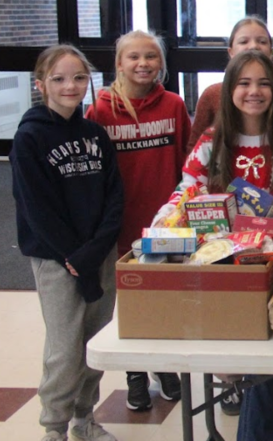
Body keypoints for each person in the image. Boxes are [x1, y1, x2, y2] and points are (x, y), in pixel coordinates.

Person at [154, 51, 273, 441]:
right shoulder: (212, 141)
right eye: (244, 83)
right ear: (229, 89)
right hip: (222, 261)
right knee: (241, 353)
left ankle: (263, 432)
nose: (254, 91)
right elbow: (187, 192)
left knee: (250, 347)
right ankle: (272, 425)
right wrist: (165, 220)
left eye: (264, 83)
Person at [11, 45, 124, 441]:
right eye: (58, 78)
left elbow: (114, 196)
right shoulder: (29, 138)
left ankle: (83, 418)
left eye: (78, 77)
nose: (70, 86)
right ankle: (54, 428)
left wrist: (96, 249)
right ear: (41, 85)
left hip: (98, 253)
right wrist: (74, 256)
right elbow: (36, 209)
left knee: (94, 341)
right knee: (64, 349)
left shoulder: (95, 133)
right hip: (57, 259)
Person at [85, 30, 190, 411]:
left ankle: (162, 366)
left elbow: (185, 163)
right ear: (118, 63)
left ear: (161, 63)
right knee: (128, 301)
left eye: (151, 56)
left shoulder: (174, 106)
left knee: (163, 296)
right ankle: (133, 372)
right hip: (120, 223)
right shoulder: (100, 111)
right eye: (134, 57)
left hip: (165, 223)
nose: (143, 63)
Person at [188, 15, 273, 152]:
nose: (253, 46)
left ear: (271, 52)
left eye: (262, 41)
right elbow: (194, 149)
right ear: (231, 52)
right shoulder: (211, 94)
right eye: (244, 41)